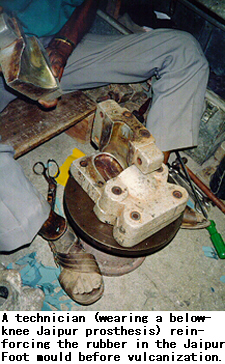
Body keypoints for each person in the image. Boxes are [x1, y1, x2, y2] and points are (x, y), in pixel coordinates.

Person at [0, 0, 209, 304]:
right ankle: (54, 229)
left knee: (183, 51)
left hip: (50, 46)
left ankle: (151, 185)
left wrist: (63, 46)